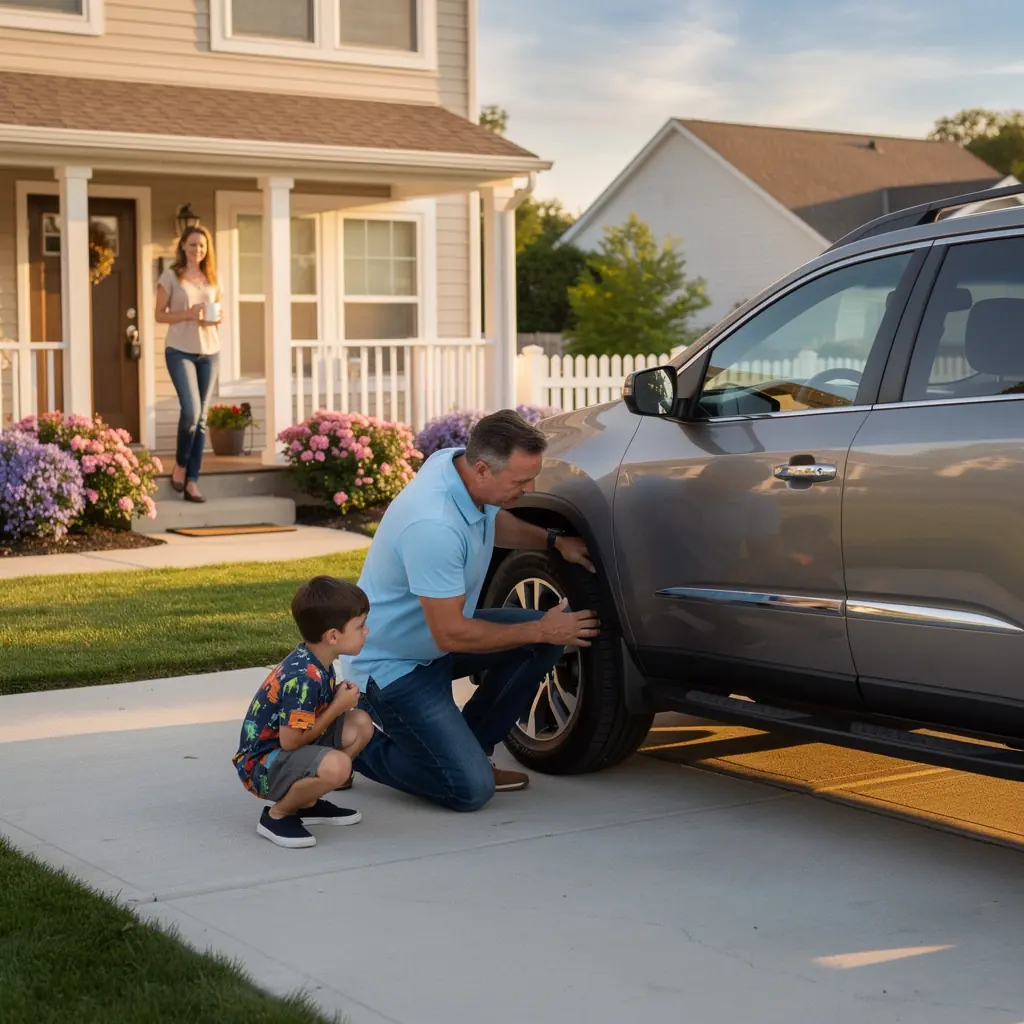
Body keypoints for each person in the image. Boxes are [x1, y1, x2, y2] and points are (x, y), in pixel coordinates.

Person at [344, 409, 599, 813]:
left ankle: (472, 749)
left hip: (434, 643)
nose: (530, 488)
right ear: (483, 469)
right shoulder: (434, 525)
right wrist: (544, 630)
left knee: (540, 639)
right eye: (520, 481)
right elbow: (452, 635)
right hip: (394, 665)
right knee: (468, 791)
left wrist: (553, 541)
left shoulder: (456, 468)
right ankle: (349, 745)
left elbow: (494, 524)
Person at [232, 576, 376, 849]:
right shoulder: (305, 677)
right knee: (339, 766)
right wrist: (338, 706)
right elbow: (290, 741)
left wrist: (336, 700)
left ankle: (306, 802)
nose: (366, 631)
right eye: (360, 626)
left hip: (285, 752)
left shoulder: (318, 661)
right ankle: (278, 815)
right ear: (333, 636)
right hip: (262, 767)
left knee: (360, 723)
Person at [155, 225, 222, 504]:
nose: (198, 250)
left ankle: (192, 480)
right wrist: (188, 314)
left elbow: (218, 311)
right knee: (191, 412)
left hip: (210, 350)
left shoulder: (212, 278)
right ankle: (181, 464)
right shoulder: (171, 276)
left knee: (203, 419)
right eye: (193, 244)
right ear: (183, 246)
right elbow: (160, 315)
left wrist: (216, 318)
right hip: (179, 350)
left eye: (202, 245)